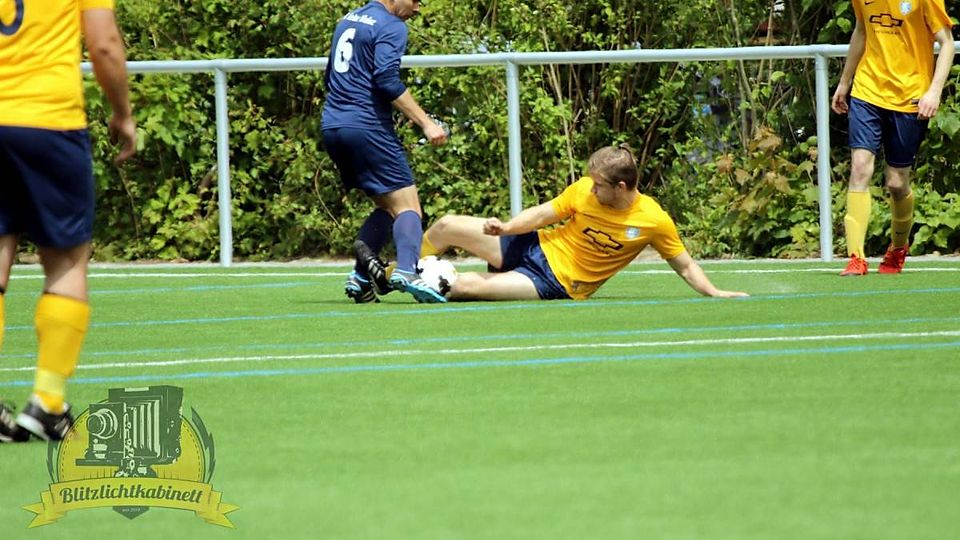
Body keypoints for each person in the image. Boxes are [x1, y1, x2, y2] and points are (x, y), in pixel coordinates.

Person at [0, 0, 136, 443]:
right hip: (48, 120)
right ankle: (48, 402)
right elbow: (104, 44)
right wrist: (123, 113)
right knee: (66, 262)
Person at [412, 145, 748, 302]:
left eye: (599, 185)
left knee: (465, 285)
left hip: (556, 282)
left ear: (621, 187)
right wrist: (507, 228)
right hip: (536, 246)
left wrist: (714, 292)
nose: (592, 188)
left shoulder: (654, 220)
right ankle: (397, 274)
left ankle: (419, 281)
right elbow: (543, 214)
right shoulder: (584, 189)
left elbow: (685, 265)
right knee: (447, 226)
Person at [322, 0, 448, 304]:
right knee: (408, 207)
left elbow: (330, 76)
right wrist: (426, 123)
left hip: (333, 126)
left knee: (387, 206)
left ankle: (360, 278)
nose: (418, 8)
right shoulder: (392, 25)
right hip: (366, 127)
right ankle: (406, 271)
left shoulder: (349, 19)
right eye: (415, 0)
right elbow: (387, 80)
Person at [831, 0, 954, 276]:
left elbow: (946, 43)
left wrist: (934, 91)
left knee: (896, 183)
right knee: (860, 167)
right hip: (867, 91)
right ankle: (856, 257)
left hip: (910, 96)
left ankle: (898, 247)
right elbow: (862, 29)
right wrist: (844, 82)